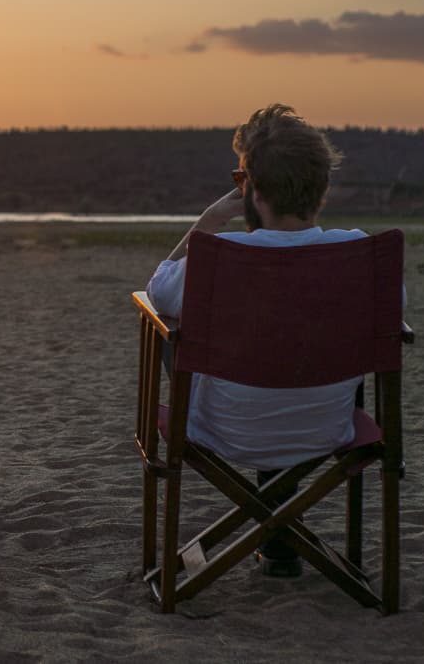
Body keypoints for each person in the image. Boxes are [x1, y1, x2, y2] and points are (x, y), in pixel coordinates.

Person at [146, 102, 383, 578]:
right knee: (290, 358)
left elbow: (157, 289)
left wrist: (208, 220)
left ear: (250, 189)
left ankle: (271, 539)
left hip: (224, 429)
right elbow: (391, 318)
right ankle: (278, 543)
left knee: (177, 334)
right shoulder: (360, 253)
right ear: (321, 187)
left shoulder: (219, 258)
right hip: (327, 428)